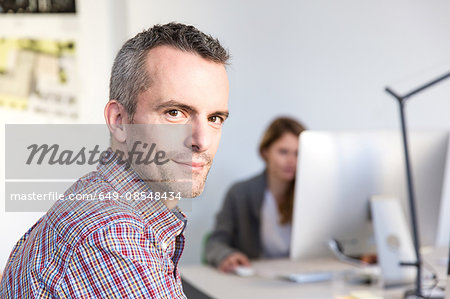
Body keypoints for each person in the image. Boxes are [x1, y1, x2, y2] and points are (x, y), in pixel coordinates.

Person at [0, 23, 230, 298]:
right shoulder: (113, 235)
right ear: (119, 121)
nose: (201, 140)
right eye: (175, 113)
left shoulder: (100, 196)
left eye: (215, 118)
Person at [205, 117, 306, 272]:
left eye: (298, 153)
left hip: (303, 276)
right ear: (265, 152)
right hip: (255, 279)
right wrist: (227, 255)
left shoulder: (311, 197)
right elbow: (215, 243)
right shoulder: (240, 193)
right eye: (283, 152)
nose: (291, 161)